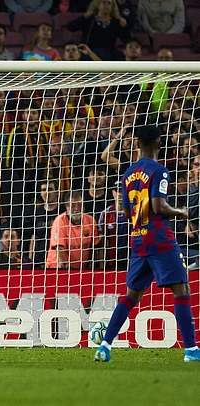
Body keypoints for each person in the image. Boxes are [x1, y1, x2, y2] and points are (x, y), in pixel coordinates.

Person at [94, 124, 200, 363]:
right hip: (160, 239)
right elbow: (159, 206)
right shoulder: (159, 171)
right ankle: (192, 350)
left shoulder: (128, 173)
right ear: (158, 144)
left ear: (137, 144)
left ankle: (105, 345)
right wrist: (182, 212)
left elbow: (125, 211)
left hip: (138, 240)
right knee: (182, 289)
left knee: (131, 295)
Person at [46, 191, 101, 270]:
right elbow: (59, 250)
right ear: (66, 207)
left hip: (80, 269)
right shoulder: (60, 221)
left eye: (79, 205)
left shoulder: (90, 221)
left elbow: (95, 247)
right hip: (57, 268)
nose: (77, 208)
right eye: (73, 205)